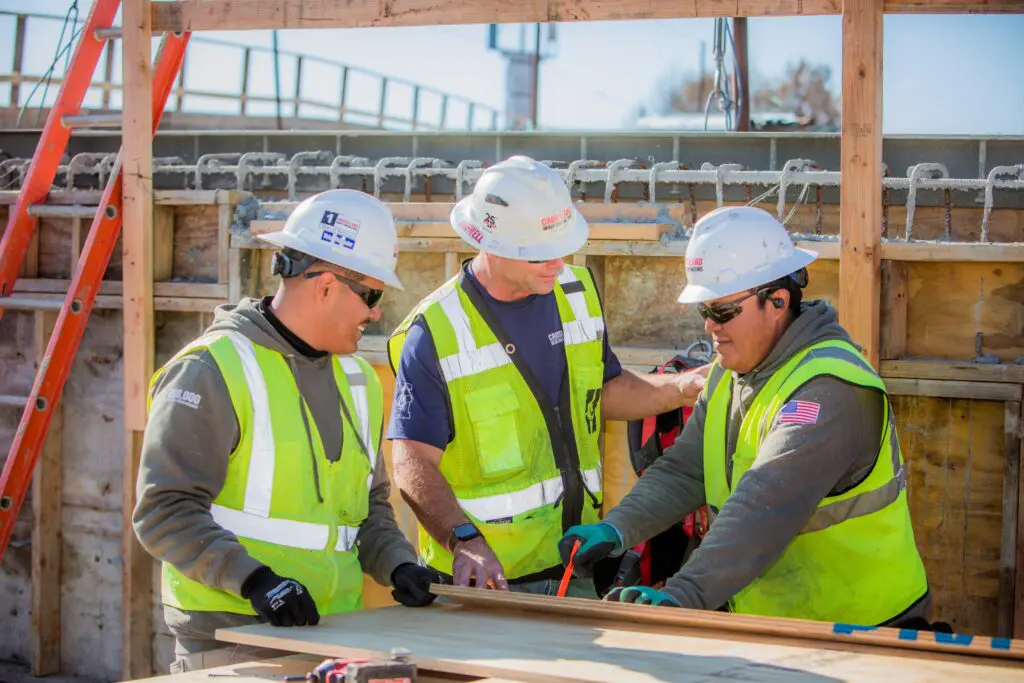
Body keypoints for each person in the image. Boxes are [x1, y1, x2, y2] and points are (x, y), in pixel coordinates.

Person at [559, 205, 931, 627]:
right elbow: (686, 471)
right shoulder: (730, 373)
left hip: (864, 630)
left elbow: (763, 507)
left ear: (777, 301)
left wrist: (682, 596)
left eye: (722, 311)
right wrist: (618, 529)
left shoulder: (829, 389)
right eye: (704, 311)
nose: (709, 327)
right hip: (781, 624)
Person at [133, 189, 438, 673]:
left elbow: (367, 512)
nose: (376, 312)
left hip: (336, 632)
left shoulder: (357, 380)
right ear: (324, 286)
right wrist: (256, 582)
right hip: (233, 635)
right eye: (372, 294)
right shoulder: (212, 369)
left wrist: (400, 565)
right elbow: (164, 511)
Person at [385, 156, 707, 598]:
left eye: (562, 245)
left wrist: (680, 388)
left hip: (576, 567)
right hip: (483, 582)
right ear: (492, 244)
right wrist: (465, 541)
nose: (557, 262)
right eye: (540, 251)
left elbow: (605, 389)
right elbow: (413, 461)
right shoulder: (437, 330)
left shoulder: (576, 291)